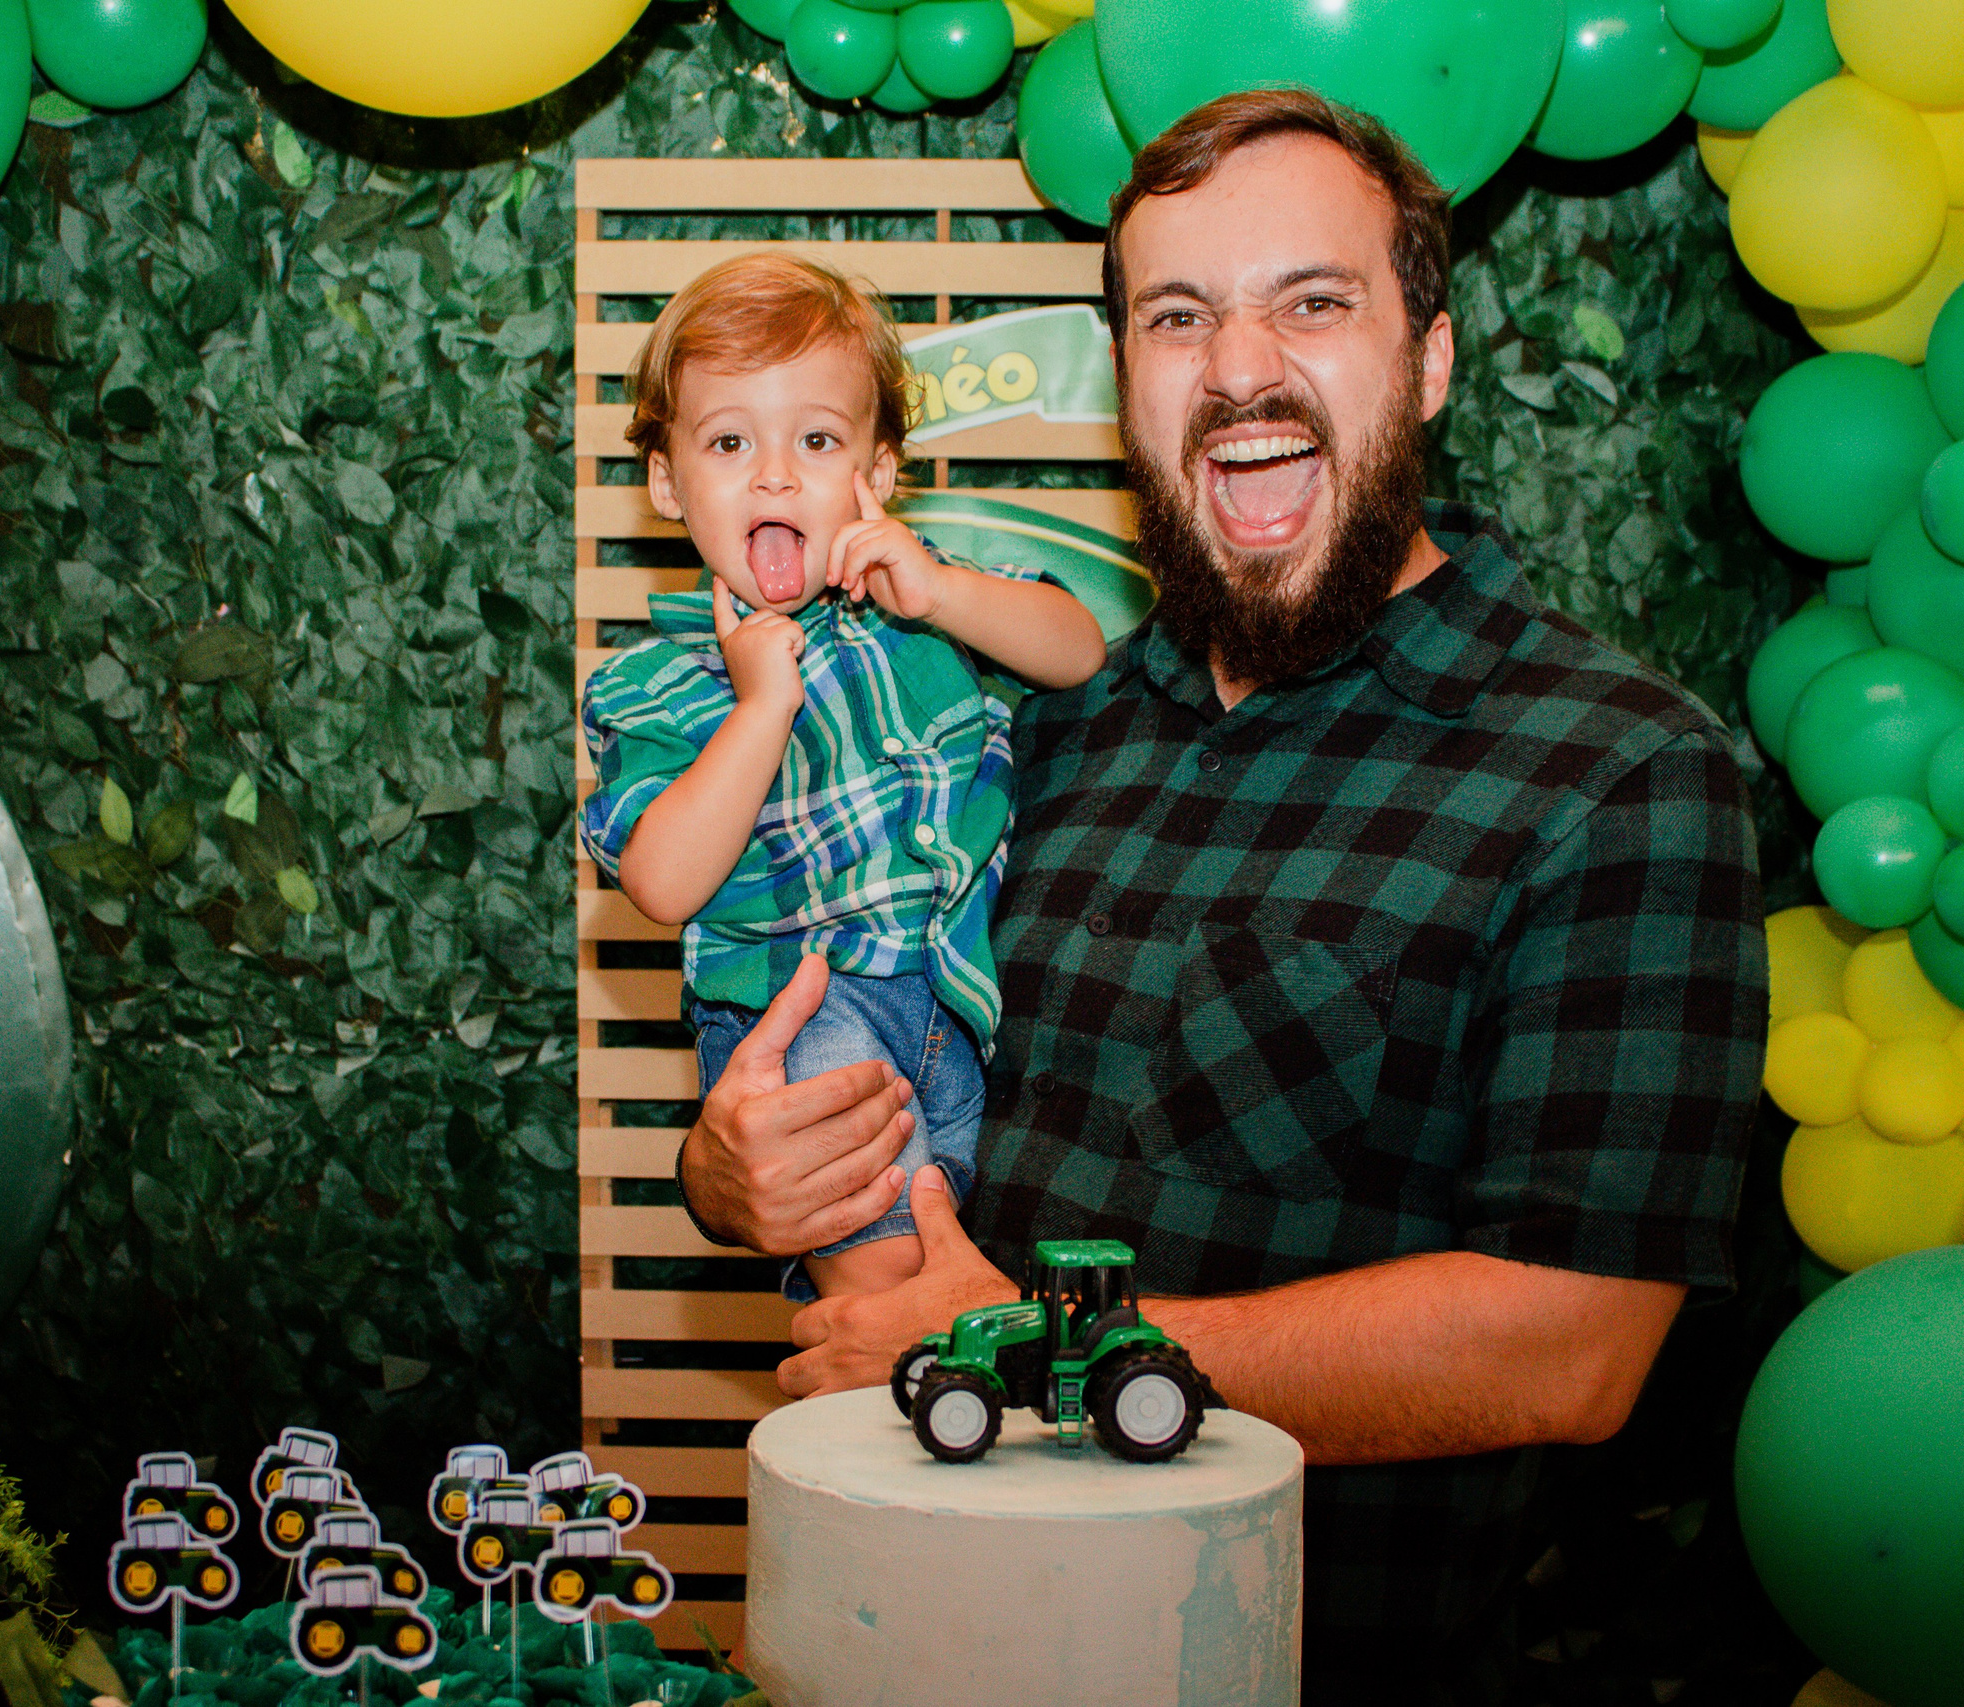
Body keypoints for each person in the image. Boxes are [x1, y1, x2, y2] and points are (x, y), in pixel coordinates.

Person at [674, 92, 1769, 1678]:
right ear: (1129, 376)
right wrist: (736, 1174)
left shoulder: (1616, 770)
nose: (1242, 367)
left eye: (1314, 303)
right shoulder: (1042, 732)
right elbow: (881, 1112)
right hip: (956, 1639)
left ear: (1432, 359)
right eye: (1178, 318)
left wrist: (1049, 1358)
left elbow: (1573, 1338)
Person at [581, 252, 1105, 1300]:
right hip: (807, 1014)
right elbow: (663, 882)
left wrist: (944, 592)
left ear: (879, 469)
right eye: (729, 441)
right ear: (665, 479)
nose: (775, 474)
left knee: (974, 1282)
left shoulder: (922, 608)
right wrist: (761, 707)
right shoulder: (654, 685)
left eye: (816, 440)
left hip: (961, 1010)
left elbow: (1076, 649)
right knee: (887, 1295)